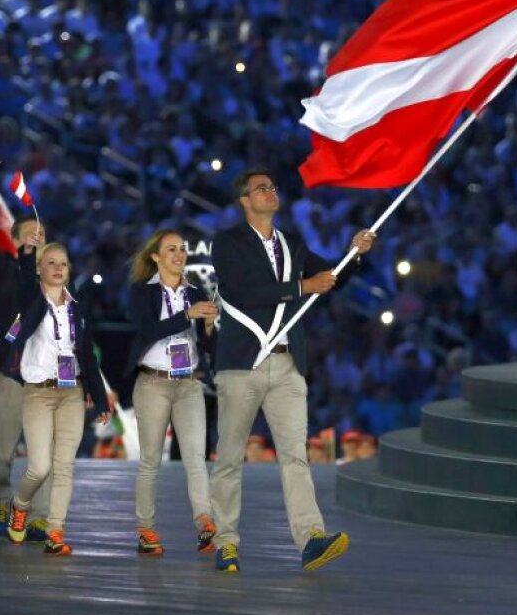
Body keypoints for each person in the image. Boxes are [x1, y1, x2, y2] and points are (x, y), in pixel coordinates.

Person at [209, 168, 375, 573]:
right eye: (261, 188)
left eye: (272, 186)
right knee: (230, 456)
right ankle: (226, 541)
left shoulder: (291, 243)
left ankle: (311, 538)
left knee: (295, 456)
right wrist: (302, 287)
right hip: (242, 361)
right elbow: (242, 292)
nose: (270, 192)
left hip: (285, 361)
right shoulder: (227, 243)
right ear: (244, 200)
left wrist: (355, 254)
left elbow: (330, 277)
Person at [4, 238, 110, 556]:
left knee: (64, 466)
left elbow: (87, 355)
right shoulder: (31, 301)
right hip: (38, 392)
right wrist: (25, 255)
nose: (57, 268)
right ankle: (20, 504)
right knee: (39, 467)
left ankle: (55, 531)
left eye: (62, 263)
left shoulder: (78, 306)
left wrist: (99, 396)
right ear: (39, 269)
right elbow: (24, 285)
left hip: (72, 392)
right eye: (49, 262)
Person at [125, 228, 220, 556]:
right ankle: (146, 529)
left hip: (189, 382)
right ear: (155, 256)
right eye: (171, 250)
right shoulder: (142, 292)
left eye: (182, 250)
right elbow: (149, 329)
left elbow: (207, 347)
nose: (179, 255)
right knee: (151, 460)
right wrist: (187, 315)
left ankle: (205, 523)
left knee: (196, 457)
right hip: (153, 383)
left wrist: (208, 327)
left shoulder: (195, 292)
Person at [0, 216, 53, 541]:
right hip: (13, 371)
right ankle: (0, 501)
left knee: (43, 453)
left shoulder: (57, 275)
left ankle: (38, 516)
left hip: (47, 374)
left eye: (42, 232)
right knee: (4, 448)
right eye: (30, 234)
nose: (37, 237)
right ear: (14, 239)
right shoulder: (4, 266)